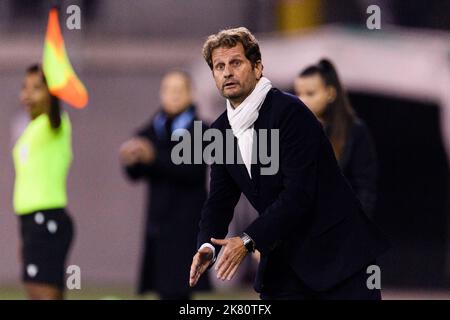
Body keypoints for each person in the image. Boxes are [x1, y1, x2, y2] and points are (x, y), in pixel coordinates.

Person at [189, 27, 390, 300]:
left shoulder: (291, 113)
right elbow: (219, 200)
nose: (227, 72)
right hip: (284, 262)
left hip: (339, 258)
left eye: (235, 62)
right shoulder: (220, 131)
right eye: (219, 66)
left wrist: (248, 240)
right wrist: (207, 246)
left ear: (258, 67)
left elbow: (299, 195)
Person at [119, 71, 211, 300]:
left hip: (186, 225)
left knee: (180, 289)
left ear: (191, 94)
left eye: (179, 90)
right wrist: (131, 159)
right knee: (163, 289)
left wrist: (154, 158)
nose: (173, 95)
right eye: (168, 90)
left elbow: (193, 170)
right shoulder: (153, 127)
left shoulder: (201, 129)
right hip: (159, 224)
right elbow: (136, 173)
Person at [13, 64, 74, 300]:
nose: (27, 94)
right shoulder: (33, 129)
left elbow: (55, 114)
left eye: (37, 88)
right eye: (25, 88)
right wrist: (24, 234)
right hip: (31, 223)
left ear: (51, 94)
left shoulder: (55, 125)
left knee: (44, 294)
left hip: (47, 219)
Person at [294, 59, 378, 217]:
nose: (302, 100)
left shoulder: (354, 131)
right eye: (298, 94)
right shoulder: (293, 130)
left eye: (310, 94)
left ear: (330, 93)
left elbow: (365, 188)